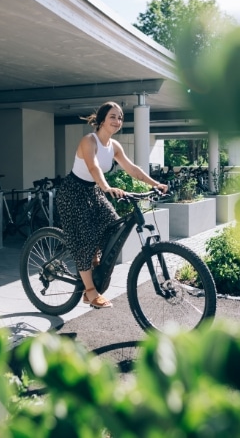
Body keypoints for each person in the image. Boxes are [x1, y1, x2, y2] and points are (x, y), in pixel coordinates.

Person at [55, 101, 168, 309]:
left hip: (93, 190)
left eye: (120, 117)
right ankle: (90, 292)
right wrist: (107, 188)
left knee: (114, 225)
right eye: (113, 117)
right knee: (85, 240)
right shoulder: (90, 141)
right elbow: (93, 167)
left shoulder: (114, 146)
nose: (118, 121)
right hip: (73, 192)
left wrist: (156, 184)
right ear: (101, 120)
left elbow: (133, 169)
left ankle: (93, 259)